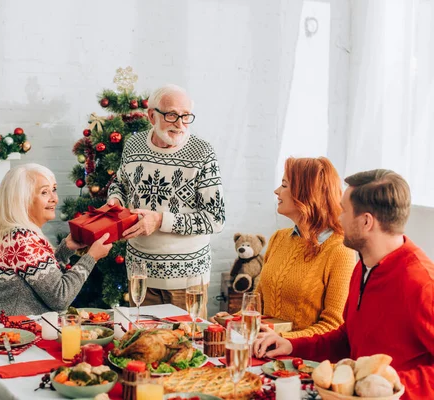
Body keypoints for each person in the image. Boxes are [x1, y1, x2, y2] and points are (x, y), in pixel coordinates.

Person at [254, 169, 434, 399]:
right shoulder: (363, 266)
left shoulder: (421, 282)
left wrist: (388, 386)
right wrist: (292, 345)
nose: (338, 219)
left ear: (366, 221)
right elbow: (346, 339)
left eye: (344, 211)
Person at [107, 84, 226, 318]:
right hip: (140, 274)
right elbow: (119, 183)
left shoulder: (202, 152)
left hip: (187, 281)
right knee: (142, 347)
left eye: (186, 116)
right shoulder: (133, 144)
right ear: (152, 115)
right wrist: (115, 199)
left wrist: (160, 220)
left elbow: (216, 219)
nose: (180, 124)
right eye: (171, 115)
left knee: (185, 349)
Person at [213, 157, 356, 338]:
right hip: (265, 350)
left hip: (304, 360)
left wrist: (282, 339)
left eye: (284, 185)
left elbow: (333, 326)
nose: (277, 191)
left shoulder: (340, 250)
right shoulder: (278, 238)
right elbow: (258, 304)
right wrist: (233, 320)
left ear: (306, 193)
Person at [0, 163, 113, 318]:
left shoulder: (12, 234)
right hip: (15, 335)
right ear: (23, 200)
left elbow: (40, 279)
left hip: (3, 332)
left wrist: (65, 249)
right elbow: (60, 297)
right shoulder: (23, 240)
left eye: (53, 190)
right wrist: (91, 257)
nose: (54, 199)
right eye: (44, 192)